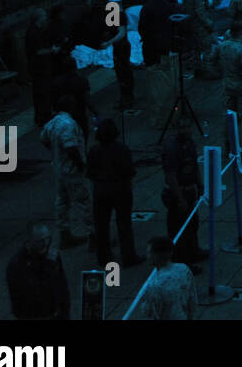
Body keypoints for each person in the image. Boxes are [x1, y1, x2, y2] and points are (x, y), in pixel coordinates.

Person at [86, 118, 142, 267]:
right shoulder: (122, 149)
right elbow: (130, 171)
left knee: (101, 225)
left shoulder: (94, 150)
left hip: (101, 189)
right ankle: (128, 256)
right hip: (121, 188)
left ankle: (104, 257)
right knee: (124, 223)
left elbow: (89, 172)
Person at [39, 97, 91, 250]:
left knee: (61, 201)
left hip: (59, 168)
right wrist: (80, 165)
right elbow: (71, 147)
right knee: (83, 201)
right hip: (72, 170)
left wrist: (56, 152)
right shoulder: (68, 124)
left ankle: (64, 233)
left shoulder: (52, 123)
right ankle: (93, 234)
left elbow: (43, 139)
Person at [161, 111, 204, 268]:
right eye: (181, 127)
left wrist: (200, 185)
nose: (185, 130)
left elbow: (194, 165)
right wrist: (179, 199)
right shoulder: (172, 148)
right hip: (177, 193)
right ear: (175, 129)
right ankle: (183, 261)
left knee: (192, 223)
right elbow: (171, 176)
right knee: (179, 229)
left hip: (189, 190)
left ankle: (194, 251)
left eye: (187, 127)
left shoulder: (190, 143)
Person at [6, 223, 69, 320]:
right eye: (40, 241)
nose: (45, 243)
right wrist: (49, 266)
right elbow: (37, 295)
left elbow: (62, 287)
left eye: (47, 238)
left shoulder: (50, 255)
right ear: (29, 241)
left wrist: (65, 313)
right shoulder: (18, 265)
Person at [137, 236, 199, 320]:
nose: (147, 256)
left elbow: (152, 313)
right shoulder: (184, 269)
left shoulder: (155, 285)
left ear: (155, 255)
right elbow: (192, 298)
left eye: (148, 253)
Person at [24, 7, 61, 127]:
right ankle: (44, 116)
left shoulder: (35, 31)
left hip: (39, 67)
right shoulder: (34, 33)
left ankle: (41, 116)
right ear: (39, 18)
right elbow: (39, 51)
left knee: (41, 92)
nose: (46, 18)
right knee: (43, 92)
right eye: (44, 16)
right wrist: (52, 50)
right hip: (39, 68)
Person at [218, 21, 242, 116]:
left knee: (230, 114)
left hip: (226, 83)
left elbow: (215, 61)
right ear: (241, 33)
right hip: (240, 86)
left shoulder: (222, 46)